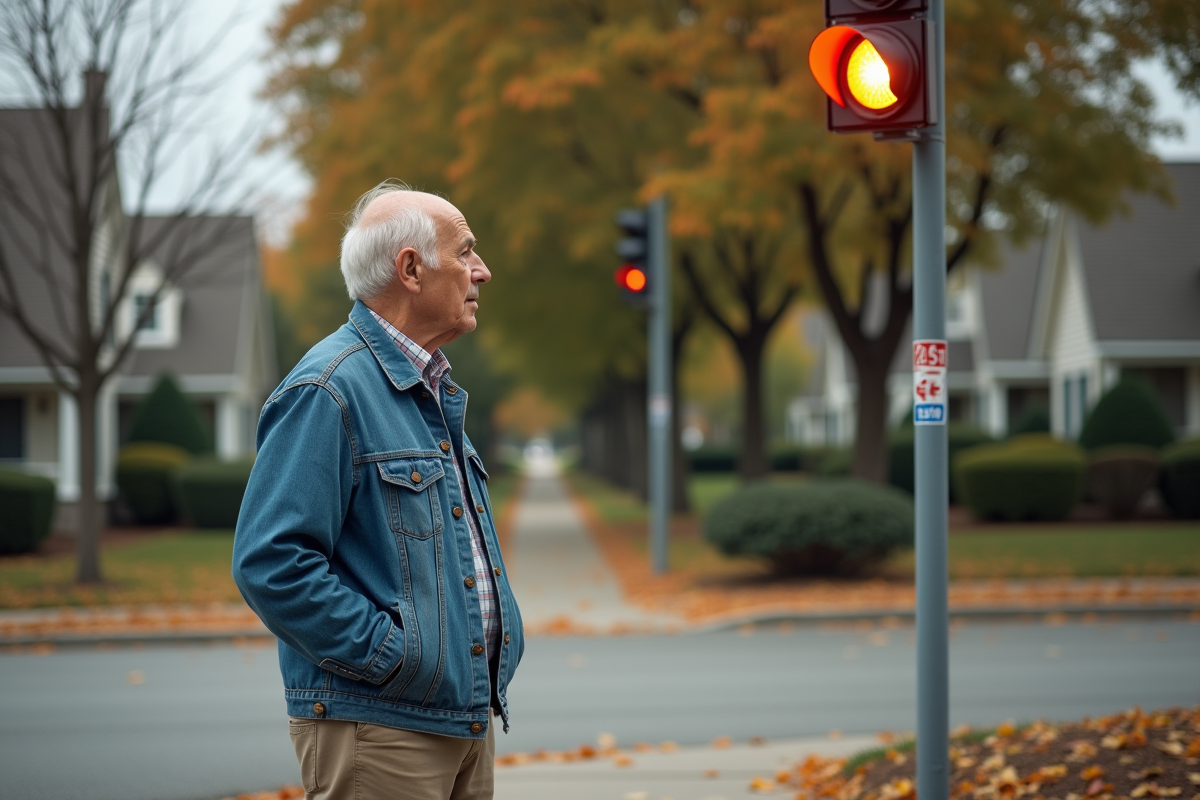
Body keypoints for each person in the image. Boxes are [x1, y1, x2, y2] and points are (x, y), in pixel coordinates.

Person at [233, 181, 523, 800]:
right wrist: (396, 658)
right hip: (382, 729)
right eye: (467, 251)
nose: (483, 271)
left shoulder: (429, 390)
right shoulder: (328, 389)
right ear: (412, 270)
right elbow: (271, 563)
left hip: (460, 719)